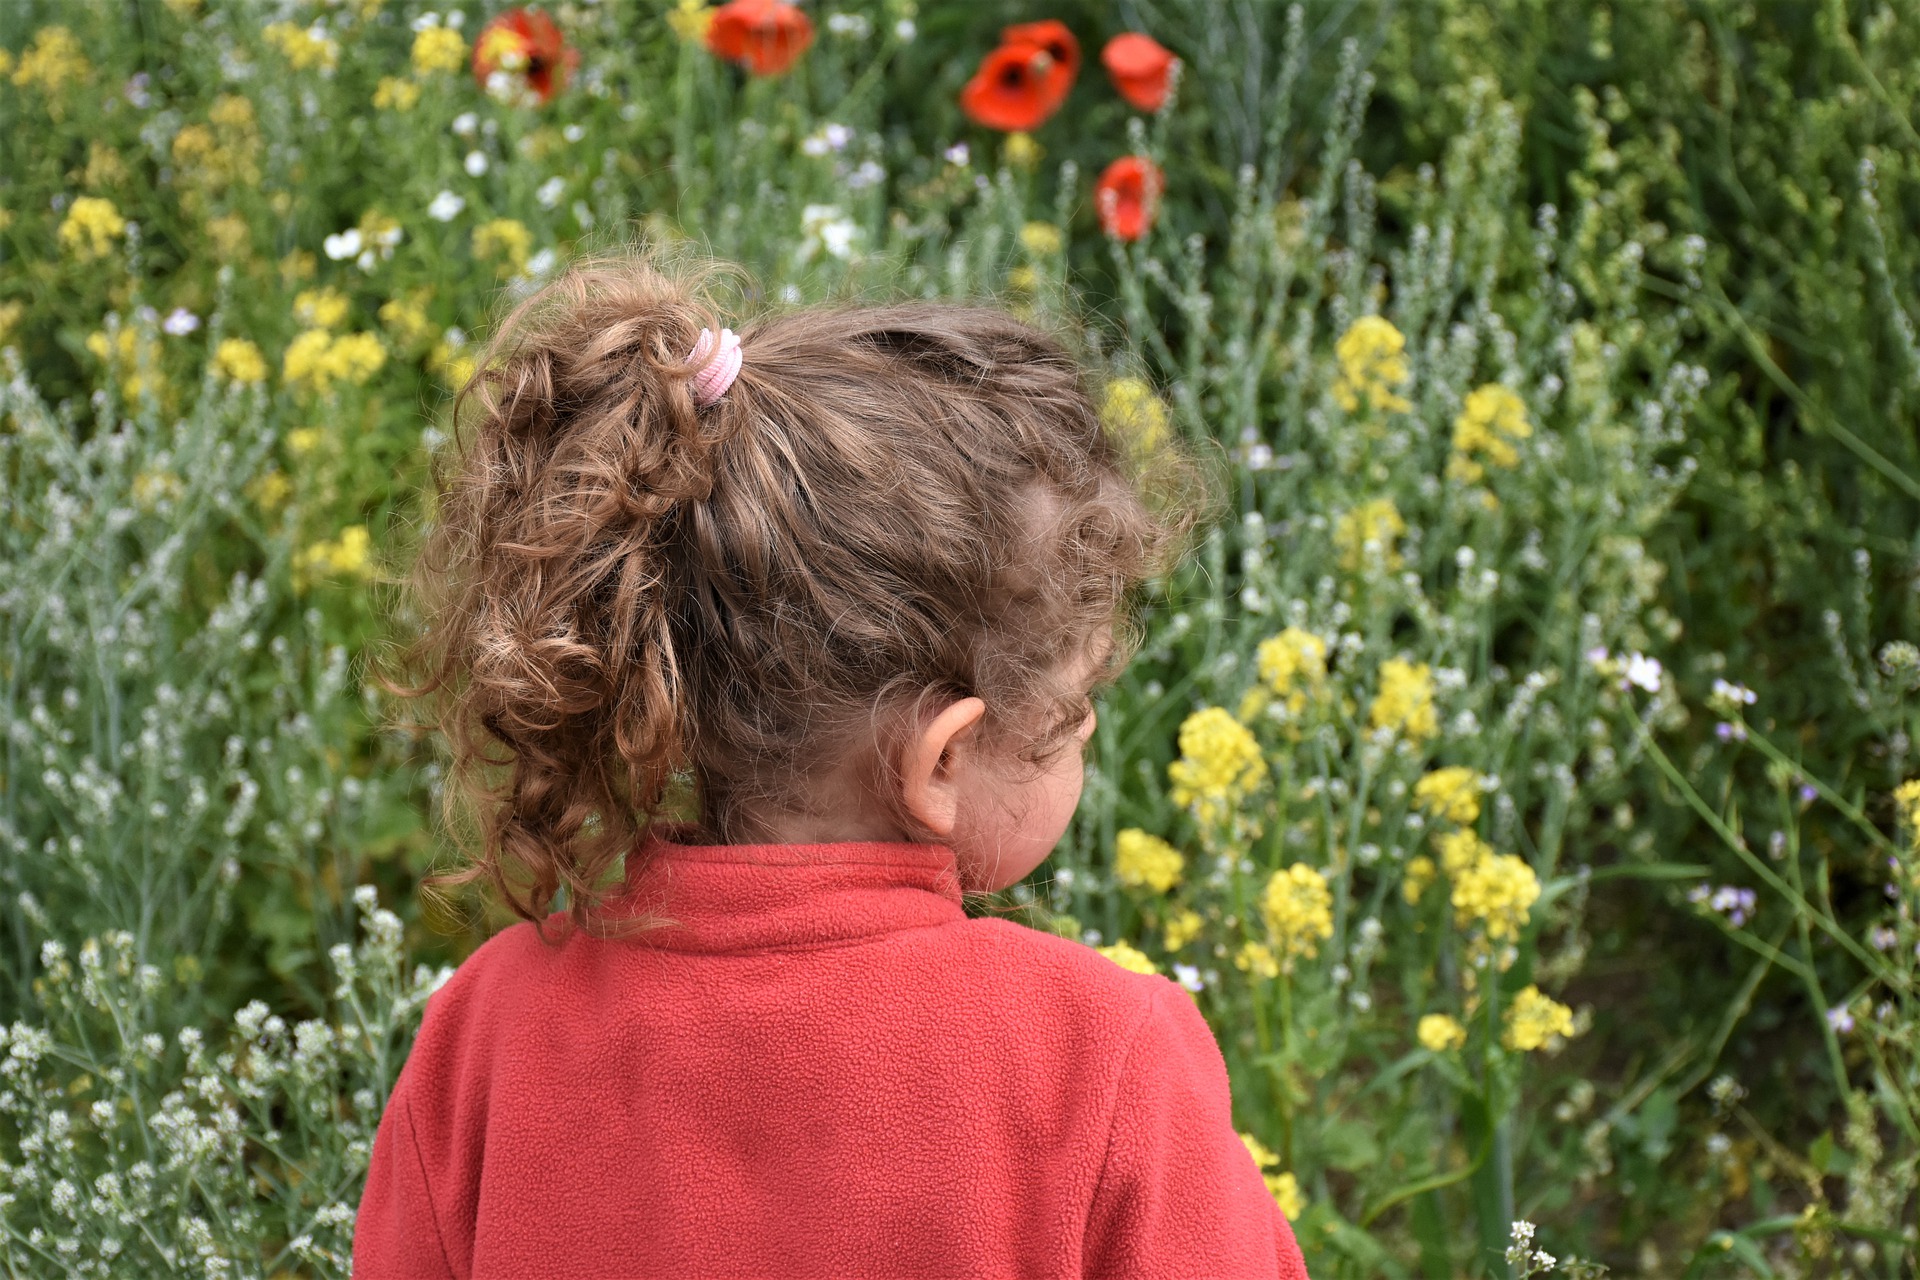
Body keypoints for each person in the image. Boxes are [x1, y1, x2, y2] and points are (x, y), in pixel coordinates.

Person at [353, 247, 1311, 1279]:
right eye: (1075, 703)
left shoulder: (487, 1028)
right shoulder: (1101, 1055)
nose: (1085, 731)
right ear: (940, 760)